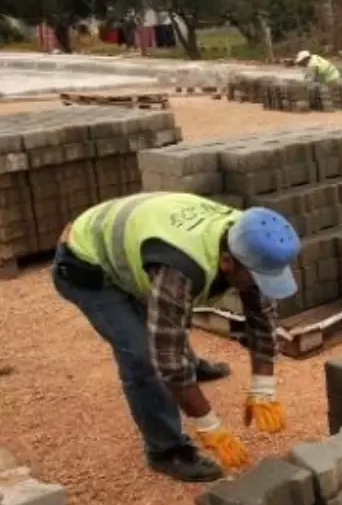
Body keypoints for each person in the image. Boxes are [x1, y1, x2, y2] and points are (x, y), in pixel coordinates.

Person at [52, 193, 301, 482]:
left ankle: (190, 368)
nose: (260, 286)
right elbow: (167, 360)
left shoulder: (247, 236)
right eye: (256, 278)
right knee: (144, 357)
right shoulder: (180, 268)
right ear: (226, 262)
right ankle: (166, 450)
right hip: (86, 263)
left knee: (167, 322)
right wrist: (210, 425)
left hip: (143, 245)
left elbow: (262, 319)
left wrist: (264, 389)